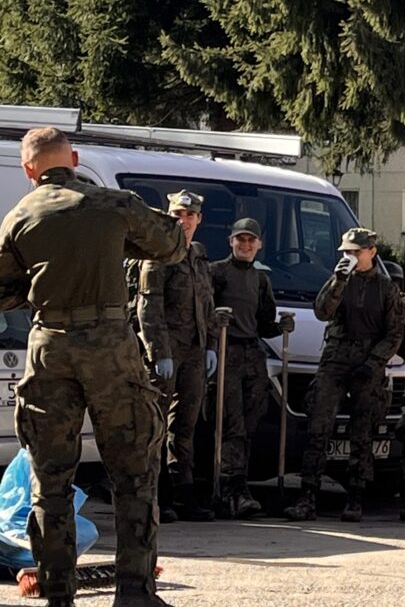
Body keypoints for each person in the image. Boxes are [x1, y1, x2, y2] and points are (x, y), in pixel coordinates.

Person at [0, 127, 186, 607]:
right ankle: (133, 593)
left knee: (50, 479)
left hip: (49, 347)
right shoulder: (113, 203)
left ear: (28, 171)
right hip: (110, 346)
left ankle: (58, 595)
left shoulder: (18, 216)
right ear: (75, 159)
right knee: (133, 471)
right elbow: (171, 244)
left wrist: (44, 285)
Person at [284, 228, 405, 522]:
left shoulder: (386, 289)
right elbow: (322, 312)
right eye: (345, 252)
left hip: (367, 362)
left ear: (371, 252)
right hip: (336, 357)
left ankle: (355, 497)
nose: (349, 256)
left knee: (362, 430)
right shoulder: (338, 279)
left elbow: (394, 333)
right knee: (319, 424)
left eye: (355, 252)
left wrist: (374, 362)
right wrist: (339, 279)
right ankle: (308, 496)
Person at [134, 190, 218, 524]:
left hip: (194, 352)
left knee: (185, 425)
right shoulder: (158, 253)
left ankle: (184, 494)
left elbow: (207, 306)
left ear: (198, 220)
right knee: (156, 425)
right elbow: (148, 305)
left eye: (190, 215)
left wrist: (210, 343)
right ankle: (158, 495)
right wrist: (158, 351)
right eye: (178, 215)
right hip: (167, 350)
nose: (183, 221)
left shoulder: (197, 255)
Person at [210, 218, 294, 518]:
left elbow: (264, 323)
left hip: (252, 353)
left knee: (251, 420)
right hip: (226, 350)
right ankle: (232, 488)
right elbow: (201, 312)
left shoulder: (261, 280)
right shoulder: (216, 273)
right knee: (230, 421)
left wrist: (282, 327)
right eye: (240, 239)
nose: (245, 245)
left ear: (259, 245)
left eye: (251, 241)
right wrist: (213, 327)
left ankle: (239, 480)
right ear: (230, 241)